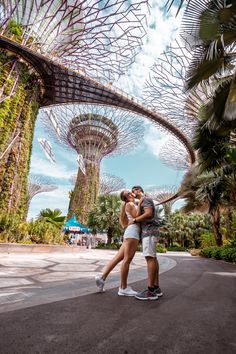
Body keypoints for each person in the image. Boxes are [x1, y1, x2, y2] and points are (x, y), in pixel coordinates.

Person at [95, 190, 141, 296]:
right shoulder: (130, 204)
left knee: (118, 258)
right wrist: (142, 202)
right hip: (133, 233)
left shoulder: (130, 204)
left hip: (129, 233)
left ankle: (102, 278)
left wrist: (140, 200)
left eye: (130, 193)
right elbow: (137, 217)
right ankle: (123, 288)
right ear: (126, 199)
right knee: (127, 260)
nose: (130, 194)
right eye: (127, 195)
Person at [129, 185, 163, 301]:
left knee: (149, 258)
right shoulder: (142, 201)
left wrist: (134, 220)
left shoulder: (146, 199)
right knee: (153, 258)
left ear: (141, 191)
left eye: (136, 189)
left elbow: (148, 214)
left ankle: (150, 291)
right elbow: (140, 214)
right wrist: (139, 205)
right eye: (132, 190)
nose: (134, 191)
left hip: (149, 231)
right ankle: (156, 288)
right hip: (150, 232)